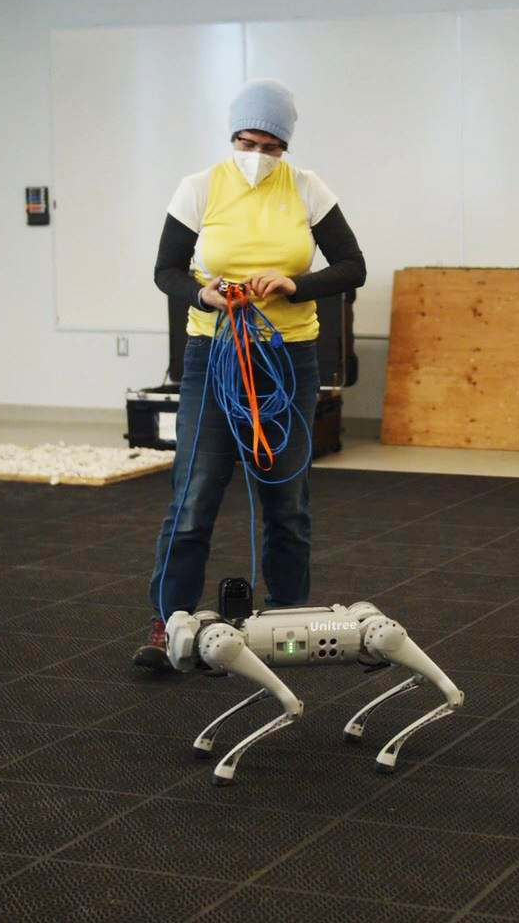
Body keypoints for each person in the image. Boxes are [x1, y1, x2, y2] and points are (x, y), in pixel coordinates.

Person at [133, 79, 366, 670]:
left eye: (270, 145)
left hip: (287, 359)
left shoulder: (309, 190)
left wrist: (296, 285)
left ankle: (290, 626)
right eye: (246, 141)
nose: (257, 155)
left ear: (285, 146)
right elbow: (165, 270)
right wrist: (203, 292)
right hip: (211, 359)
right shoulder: (198, 189)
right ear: (231, 136)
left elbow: (352, 267)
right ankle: (169, 628)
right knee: (193, 497)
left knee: (286, 502)